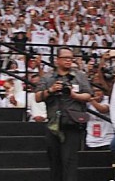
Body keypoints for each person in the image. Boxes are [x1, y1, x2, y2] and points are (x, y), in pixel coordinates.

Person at [35, 47, 92, 181]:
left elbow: (88, 95)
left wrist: (74, 95)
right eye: (65, 58)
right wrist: (51, 90)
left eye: (70, 58)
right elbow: (37, 97)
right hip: (53, 125)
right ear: (57, 60)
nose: (68, 61)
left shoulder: (79, 76)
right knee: (54, 162)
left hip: (72, 123)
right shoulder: (48, 77)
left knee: (70, 162)